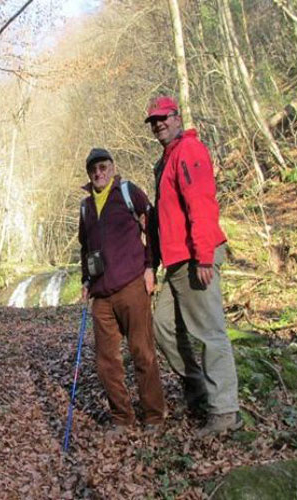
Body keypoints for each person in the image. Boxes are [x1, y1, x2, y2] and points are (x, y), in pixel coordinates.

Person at [144, 96, 242, 438]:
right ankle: (199, 389)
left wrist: (203, 256)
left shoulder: (189, 150)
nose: (158, 124)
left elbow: (201, 203)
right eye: (153, 121)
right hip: (175, 262)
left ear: (177, 117)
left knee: (209, 332)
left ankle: (225, 410)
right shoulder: (166, 159)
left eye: (163, 118)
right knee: (163, 326)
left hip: (194, 257)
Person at [78, 147, 168, 434]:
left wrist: (150, 266)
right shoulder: (85, 207)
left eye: (103, 167)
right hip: (101, 295)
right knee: (106, 362)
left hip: (132, 285)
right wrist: (85, 279)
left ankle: (153, 416)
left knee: (142, 352)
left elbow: (150, 226)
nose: (98, 173)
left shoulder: (128, 192)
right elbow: (85, 247)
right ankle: (122, 418)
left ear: (112, 168)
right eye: (93, 169)